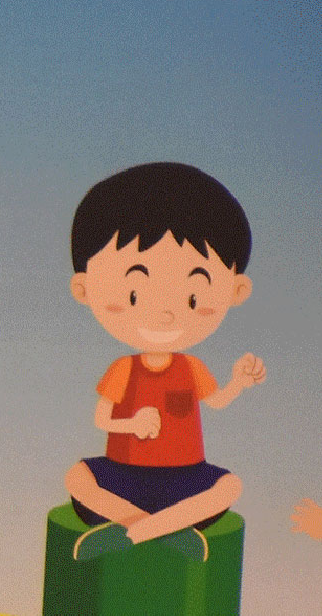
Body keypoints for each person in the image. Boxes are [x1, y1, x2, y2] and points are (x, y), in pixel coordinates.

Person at [60, 163, 264, 560]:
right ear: (83, 288)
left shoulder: (191, 369)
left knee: (230, 487)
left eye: (192, 298)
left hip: (185, 477)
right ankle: (161, 528)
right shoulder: (124, 369)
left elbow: (216, 401)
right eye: (134, 295)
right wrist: (131, 424)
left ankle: (135, 532)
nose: (165, 315)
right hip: (123, 474)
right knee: (77, 478)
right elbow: (102, 418)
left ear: (236, 290)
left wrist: (238, 382)